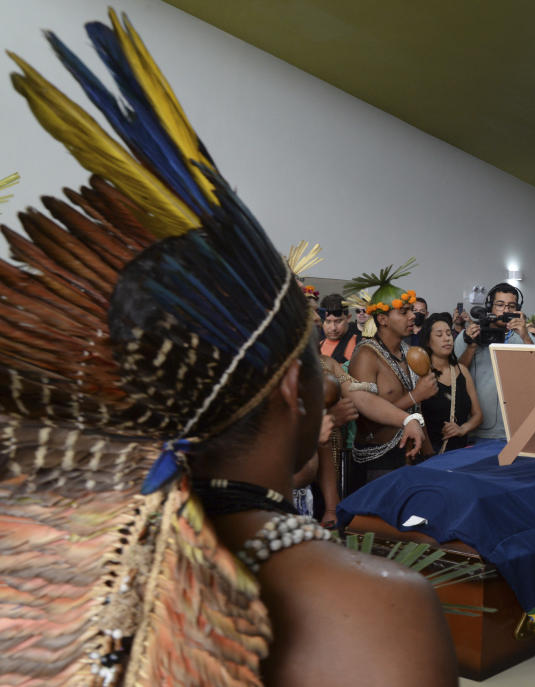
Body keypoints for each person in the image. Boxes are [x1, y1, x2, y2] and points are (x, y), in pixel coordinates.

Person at [0, 13, 456, 686]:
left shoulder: (69, 560)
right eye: (316, 371)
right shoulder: (383, 604)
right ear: (289, 392)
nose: (329, 390)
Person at [345, 260, 436, 490]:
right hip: (377, 463)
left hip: (411, 457)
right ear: (383, 319)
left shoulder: (410, 352)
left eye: (412, 312)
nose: (412, 317)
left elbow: (418, 410)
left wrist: (430, 457)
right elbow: (365, 412)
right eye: (403, 312)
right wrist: (415, 396)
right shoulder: (366, 355)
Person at [454, 282, 534, 439]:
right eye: (500, 304)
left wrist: (525, 336)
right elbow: (456, 376)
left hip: (513, 430)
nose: (505, 310)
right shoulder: (468, 335)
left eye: (511, 306)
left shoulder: (521, 338)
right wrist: (471, 346)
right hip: (475, 429)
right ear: (490, 306)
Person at [419, 313, 482, 453]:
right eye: (439, 335)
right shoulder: (421, 374)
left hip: (459, 452)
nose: (446, 338)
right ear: (428, 341)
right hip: (429, 453)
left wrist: (462, 429)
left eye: (448, 334)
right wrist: (428, 453)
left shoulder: (462, 371)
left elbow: (478, 415)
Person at [318, 293, 362, 363]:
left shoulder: (360, 346)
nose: (333, 328)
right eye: (328, 321)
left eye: (338, 321)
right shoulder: (317, 346)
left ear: (348, 318)